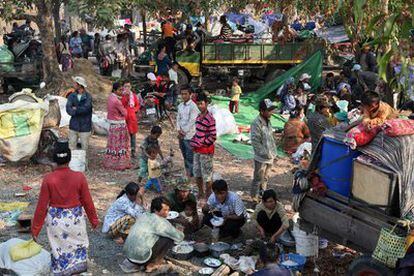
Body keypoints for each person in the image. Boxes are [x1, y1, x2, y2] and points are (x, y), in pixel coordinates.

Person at [32, 141, 99, 276]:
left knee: (59, 248)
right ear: (69, 159)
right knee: (78, 245)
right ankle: (78, 269)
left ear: (55, 160)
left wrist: (35, 228)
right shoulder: (79, 177)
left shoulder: (48, 179)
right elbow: (87, 202)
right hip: (74, 219)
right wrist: (94, 220)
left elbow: (41, 206)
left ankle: (61, 270)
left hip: (56, 221)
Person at [123, 197, 184, 273]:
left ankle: (143, 262)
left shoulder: (144, 215)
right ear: (155, 210)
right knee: (169, 239)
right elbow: (179, 237)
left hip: (129, 255)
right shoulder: (160, 221)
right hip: (140, 258)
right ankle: (152, 264)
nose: (167, 213)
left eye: (168, 210)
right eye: (164, 210)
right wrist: (180, 231)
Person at [190, 92, 217, 199]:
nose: (199, 106)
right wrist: (195, 142)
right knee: (197, 172)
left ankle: (208, 195)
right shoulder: (198, 116)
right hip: (197, 150)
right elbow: (198, 133)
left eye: (201, 103)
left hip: (206, 151)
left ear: (206, 103)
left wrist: (202, 143)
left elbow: (213, 136)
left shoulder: (210, 118)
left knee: (207, 175)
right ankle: (200, 192)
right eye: (198, 104)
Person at [250, 99, 277, 201]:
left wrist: (273, 153)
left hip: (270, 156)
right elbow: (255, 141)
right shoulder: (257, 123)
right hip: (261, 157)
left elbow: (270, 138)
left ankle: (262, 195)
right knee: (258, 178)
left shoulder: (268, 121)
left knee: (265, 178)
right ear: (262, 111)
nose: (271, 113)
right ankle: (254, 197)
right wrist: (265, 153)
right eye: (269, 110)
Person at [66, 76, 93, 167]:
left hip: (85, 126)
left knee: (84, 147)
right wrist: (77, 110)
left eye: (75, 83)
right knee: (71, 146)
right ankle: (72, 165)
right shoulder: (71, 96)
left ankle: (84, 165)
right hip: (74, 125)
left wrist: (75, 109)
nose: (74, 85)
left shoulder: (88, 96)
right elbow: (68, 109)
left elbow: (86, 109)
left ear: (79, 85)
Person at [104, 82, 131, 170]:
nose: (121, 91)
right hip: (119, 125)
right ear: (115, 90)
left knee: (113, 145)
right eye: (120, 90)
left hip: (112, 125)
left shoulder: (110, 97)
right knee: (120, 145)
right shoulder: (117, 101)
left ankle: (111, 162)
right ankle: (120, 164)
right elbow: (125, 113)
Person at [177, 85, 199, 178]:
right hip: (181, 135)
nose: (183, 96)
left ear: (190, 94)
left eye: (185, 94)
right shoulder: (180, 105)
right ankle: (188, 172)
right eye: (182, 94)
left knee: (190, 156)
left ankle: (192, 175)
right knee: (184, 154)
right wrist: (178, 129)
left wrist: (183, 131)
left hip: (189, 135)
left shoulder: (193, 106)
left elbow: (192, 121)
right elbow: (178, 118)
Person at [121, 81, 140, 157]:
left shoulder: (134, 96)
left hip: (132, 118)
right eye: (125, 86)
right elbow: (122, 105)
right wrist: (126, 97)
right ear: (123, 87)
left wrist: (134, 110)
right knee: (125, 135)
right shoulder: (121, 96)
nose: (127, 88)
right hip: (124, 118)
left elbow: (137, 105)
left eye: (128, 86)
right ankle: (125, 151)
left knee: (133, 135)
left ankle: (133, 151)